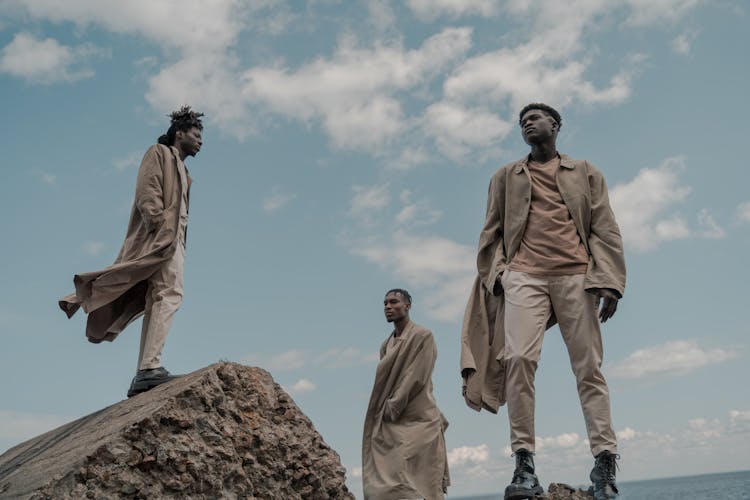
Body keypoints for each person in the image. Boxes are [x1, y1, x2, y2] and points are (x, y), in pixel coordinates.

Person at [460, 103, 625, 500]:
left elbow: (604, 227)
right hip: (524, 277)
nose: (527, 123)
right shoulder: (505, 176)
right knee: (517, 359)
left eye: (535, 117)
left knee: (588, 368)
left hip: (576, 276)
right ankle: (524, 464)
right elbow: (490, 233)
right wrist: (499, 273)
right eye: (521, 121)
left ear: (556, 125)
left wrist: (610, 280)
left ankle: (605, 464)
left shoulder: (585, 172)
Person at [59, 106, 204, 398]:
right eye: (196, 134)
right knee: (169, 295)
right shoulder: (159, 153)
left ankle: (147, 368)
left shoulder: (185, 172)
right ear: (180, 133)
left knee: (160, 297)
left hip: (172, 241)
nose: (201, 140)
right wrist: (159, 225)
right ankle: (149, 369)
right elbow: (147, 191)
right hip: (162, 239)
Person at [362, 289, 450, 500]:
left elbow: (418, 373)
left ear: (407, 306)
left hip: (418, 416)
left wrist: (395, 403)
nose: (388, 307)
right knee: (387, 474)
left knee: (422, 474)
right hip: (392, 419)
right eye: (385, 303)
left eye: (393, 302)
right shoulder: (386, 345)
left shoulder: (422, 335)